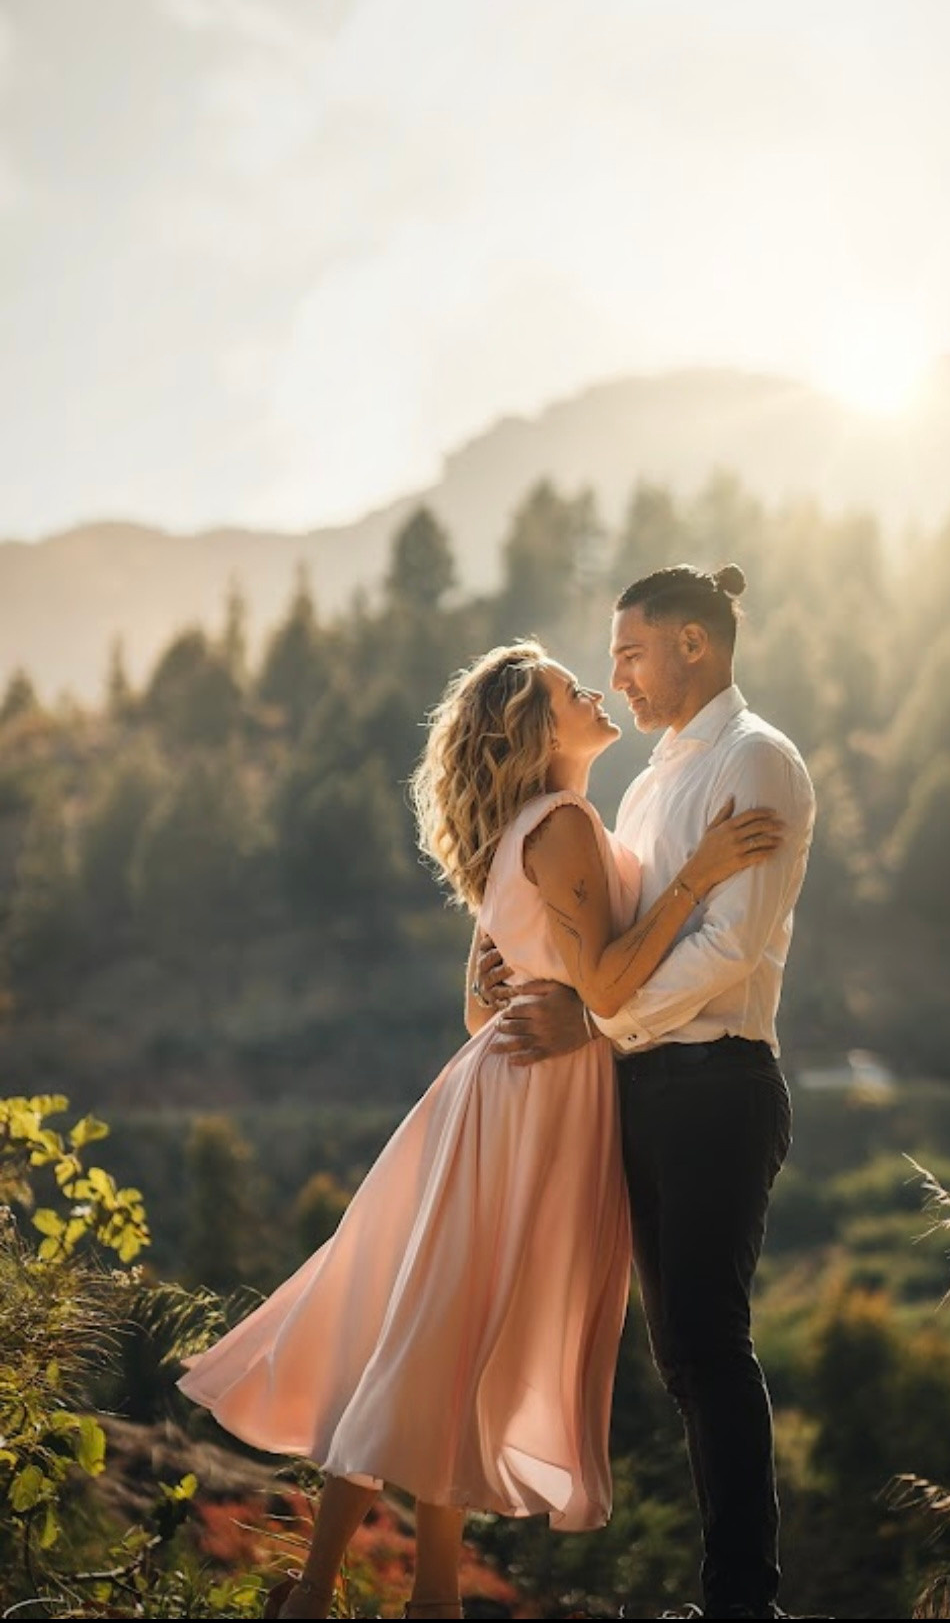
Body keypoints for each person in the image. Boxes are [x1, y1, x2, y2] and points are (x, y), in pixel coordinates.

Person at [176, 638, 784, 1622]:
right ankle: (371, 1597)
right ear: (536, 731)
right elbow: (608, 983)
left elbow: (475, 998)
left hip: (512, 1090)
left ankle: (380, 1595)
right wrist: (700, 872)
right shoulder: (567, 823)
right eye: (565, 687)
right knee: (449, 1338)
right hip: (538, 1103)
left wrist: (541, 994)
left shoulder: (528, 826)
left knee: (449, 1339)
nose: (592, 687)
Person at [480, 565, 816, 1622]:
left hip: (719, 1081)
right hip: (641, 1089)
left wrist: (598, 1016)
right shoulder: (641, 784)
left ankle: (741, 1601)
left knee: (709, 1337)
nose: (615, 673)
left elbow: (729, 948)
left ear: (692, 646)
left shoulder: (758, 761)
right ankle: (729, 1593)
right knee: (680, 1355)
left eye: (629, 652)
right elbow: (606, 943)